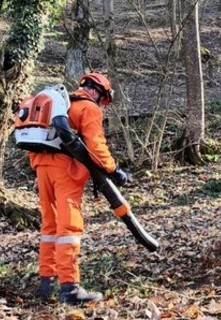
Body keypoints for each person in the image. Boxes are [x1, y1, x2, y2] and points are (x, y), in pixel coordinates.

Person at [29, 72, 128, 304]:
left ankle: (47, 283)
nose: (101, 105)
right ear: (97, 92)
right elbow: (96, 147)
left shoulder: (59, 104)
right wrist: (114, 170)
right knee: (69, 228)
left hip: (42, 166)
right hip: (67, 170)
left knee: (49, 226)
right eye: (103, 100)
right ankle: (70, 288)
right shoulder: (88, 108)